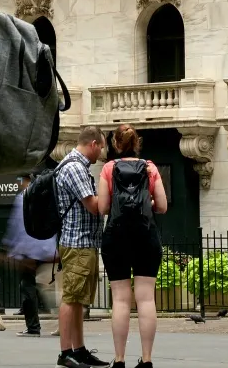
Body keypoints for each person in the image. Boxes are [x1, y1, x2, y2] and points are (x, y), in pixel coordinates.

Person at [93, 125, 166, 368]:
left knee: (120, 300)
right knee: (146, 300)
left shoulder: (108, 168)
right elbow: (163, 207)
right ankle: (146, 360)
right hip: (146, 235)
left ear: (116, 144)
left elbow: (102, 208)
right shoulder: (150, 168)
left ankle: (120, 359)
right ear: (137, 143)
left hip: (116, 236)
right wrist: (149, 199)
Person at [53, 126, 107, 366]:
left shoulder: (78, 166)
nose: (102, 153)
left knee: (77, 300)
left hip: (84, 241)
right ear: (93, 144)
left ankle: (79, 349)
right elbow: (94, 205)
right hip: (77, 241)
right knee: (71, 297)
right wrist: (111, 187)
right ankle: (66, 353)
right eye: (102, 147)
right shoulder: (75, 167)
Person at [0, 176, 56, 338]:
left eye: (20, 180)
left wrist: (11, 249)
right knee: (48, 284)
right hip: (46, 248)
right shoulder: (46, 196)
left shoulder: (23, 198)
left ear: (26, 180)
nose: (19, 184)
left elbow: (17, 226)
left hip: (30, 251)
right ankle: (62, 321)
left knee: (27, 287)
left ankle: (33, 327)